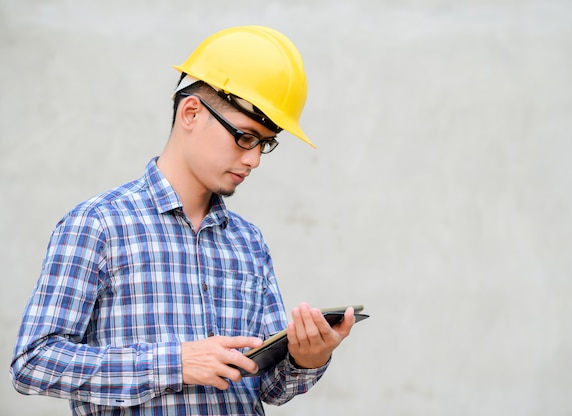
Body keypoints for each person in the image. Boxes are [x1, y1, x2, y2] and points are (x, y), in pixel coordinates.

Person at [10, 25, 356, 415]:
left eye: (265, 144)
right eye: (245, 137)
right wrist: (173, 364)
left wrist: (306, 358)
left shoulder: (248, 241)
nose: (254, 159)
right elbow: (33, 363)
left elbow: (270, 388)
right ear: (191, 112)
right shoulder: (98, 224)